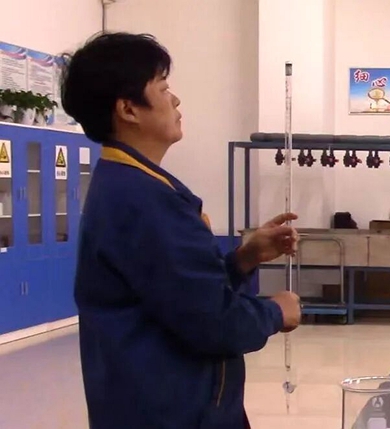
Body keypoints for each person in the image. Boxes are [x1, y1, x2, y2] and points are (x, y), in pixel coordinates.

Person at [60, 32, 302, 429]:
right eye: (162, 88)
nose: (175, 100)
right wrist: (276, 311)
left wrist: (243, 260)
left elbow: (176, 296)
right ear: (128, 109)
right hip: (173, 413)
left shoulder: (127, 185)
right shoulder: (146, 202)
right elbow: (213, 324)